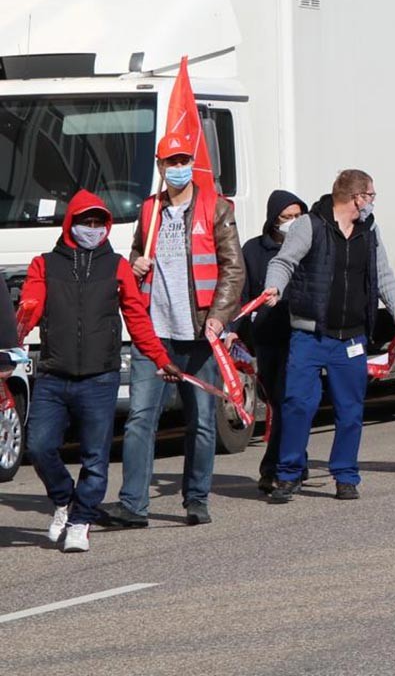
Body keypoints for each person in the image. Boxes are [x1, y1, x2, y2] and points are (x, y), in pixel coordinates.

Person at [15, 192, 178, 552]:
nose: (91, 229)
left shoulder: (117, 266)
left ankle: (80, 520)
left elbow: (137, 317)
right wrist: (18, 330)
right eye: (85, 222)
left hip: (100, 376)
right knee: (40, 446)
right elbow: (30, 305)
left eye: (98, 223)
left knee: (95, 456)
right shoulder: (44, 264)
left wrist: (160, 358)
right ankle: (63, 499)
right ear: (70, 223)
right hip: (54, 375)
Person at [101, 133, 244, 530]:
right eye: (171, 161)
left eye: (184, 160)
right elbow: (133, 257)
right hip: (154, 333)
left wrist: (218, 315)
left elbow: (233, 268)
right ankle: (133, 504)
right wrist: (135, 265)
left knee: (200, 420)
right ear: (161, 167)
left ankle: (196, 499)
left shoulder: (215, 208)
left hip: (198, 334)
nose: (178, 167)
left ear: (191, 164)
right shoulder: (149, 211)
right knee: (140, 419)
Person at [258, 169, 395, 502]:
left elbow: (382, 273)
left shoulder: (369, 231)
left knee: (350, 409)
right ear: (357, 197)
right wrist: (274, 286)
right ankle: (287, 474)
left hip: (352, 339)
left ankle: (345, 476)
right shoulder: (309, 225)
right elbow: (284, 262)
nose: (372, 202)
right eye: (370, 196)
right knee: (298, 404)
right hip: (309, 335)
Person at [236, 190, 304, 493]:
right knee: (276, 401)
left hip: (299, 336)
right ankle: (289, 463)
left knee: (290, 400)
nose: (292, 222)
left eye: (297, 216)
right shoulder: (253, 250)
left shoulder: (307, 246)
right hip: (265, 338)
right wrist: (234, 330)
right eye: (286, 217)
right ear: (273, 219)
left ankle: (279, 467)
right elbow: (242, 292)